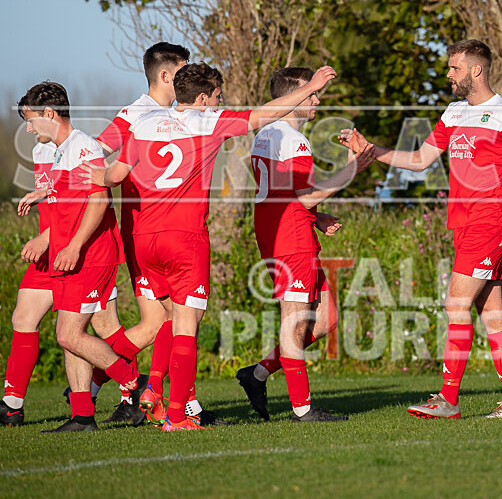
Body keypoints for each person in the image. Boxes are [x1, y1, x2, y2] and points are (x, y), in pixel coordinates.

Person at [95, 62, 338, 430]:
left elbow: (112, 175)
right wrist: (311, 86)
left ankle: (154, 391)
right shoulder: (206, 121)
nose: (221, 102)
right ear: (204, 97)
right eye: (219, 96)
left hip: (143, 238)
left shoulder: (143, 123)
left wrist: (69, 181)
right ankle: (176, 416)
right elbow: (263, 114)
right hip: (185, 238)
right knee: (186, 327)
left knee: (167, 321)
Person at [341, 39, 502, 419]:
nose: (448, 74)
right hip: (461, 224)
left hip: (490, 222)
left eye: (454, 68)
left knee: (456, 304)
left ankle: (448, 399)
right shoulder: (453, 112)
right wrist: (372, 150)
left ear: (476, 70)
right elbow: (419, 160)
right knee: (491, 311)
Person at [81, 42, 225, 426]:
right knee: (167, 322)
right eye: (183, 70)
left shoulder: (176, 114)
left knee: (166, 321)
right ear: (166, 76)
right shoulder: (137, 114)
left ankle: (156, 396)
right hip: (146, 230)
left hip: (157, 231)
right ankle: (113, 383)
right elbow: (95, 152)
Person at [236, 67, 373, 422]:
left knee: (325, 320)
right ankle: (302, 407)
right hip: (290, 237)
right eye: (309, 93)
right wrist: (353, 167)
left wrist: (318, 216)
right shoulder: (293, 139)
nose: (316, 99)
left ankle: (258, 374)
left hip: (280, 230)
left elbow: (285, 195)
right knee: (295, 321)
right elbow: (305, 197)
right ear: (290, 97)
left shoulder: (266, 133)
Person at [15, 81, 146, 432]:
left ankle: (135, 383)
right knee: (72, 337)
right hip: (71, 256)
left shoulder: (83, 146)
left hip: (91, 256)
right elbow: (70, 192)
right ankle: (82, 416)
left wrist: (73, 246)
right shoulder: (61, 150)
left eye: (31, 120)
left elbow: (99, 200)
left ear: (50, 114)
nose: (28, 128)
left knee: (68, 335)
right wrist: (43, 192)